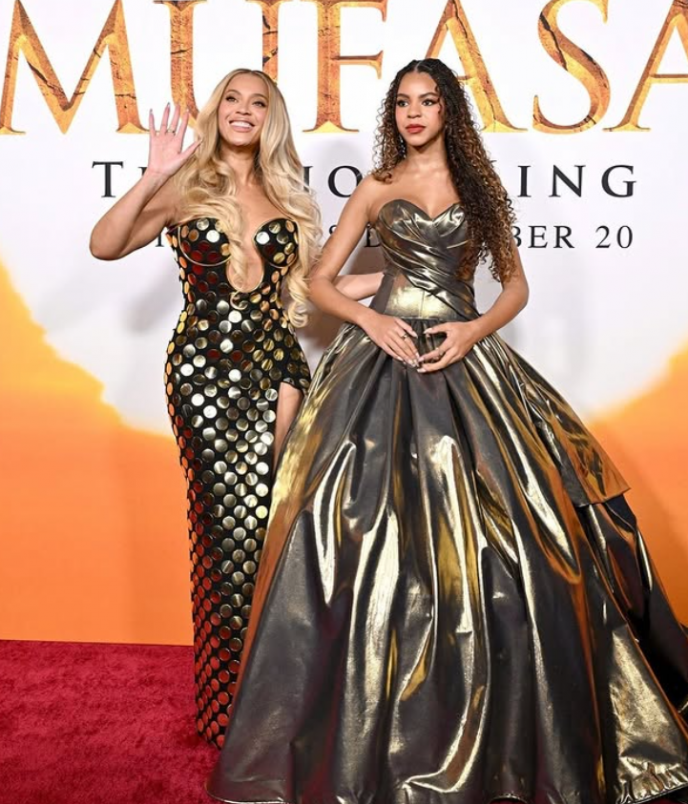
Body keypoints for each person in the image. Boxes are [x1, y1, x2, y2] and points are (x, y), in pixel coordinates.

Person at [206, 59, 688, 802]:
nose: (413, 113)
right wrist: (371, 319)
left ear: (447, 111)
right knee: (348, 532)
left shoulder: (479, 188)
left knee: (525, 539)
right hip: (381, 365)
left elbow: (516, 285)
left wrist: (473, 329)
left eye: (427, 101)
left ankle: (511, 734)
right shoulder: (376, 187)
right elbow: (317, 281)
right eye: (403, 102)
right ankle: (351, 731)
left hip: (464, 358)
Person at [89, 68, 376, 747]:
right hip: (204, 375)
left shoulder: (287, 195)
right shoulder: (186, 187)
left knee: (277, 532)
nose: (243, 110)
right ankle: (230, 707)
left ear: (270, 117)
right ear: (216, 111)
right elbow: (105, 245)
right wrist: (154, 174)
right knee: (225, 535)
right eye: (231, 100)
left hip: (279, 371)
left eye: (257, 102)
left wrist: (406, 278)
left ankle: (279, 698)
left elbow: (308, 291)